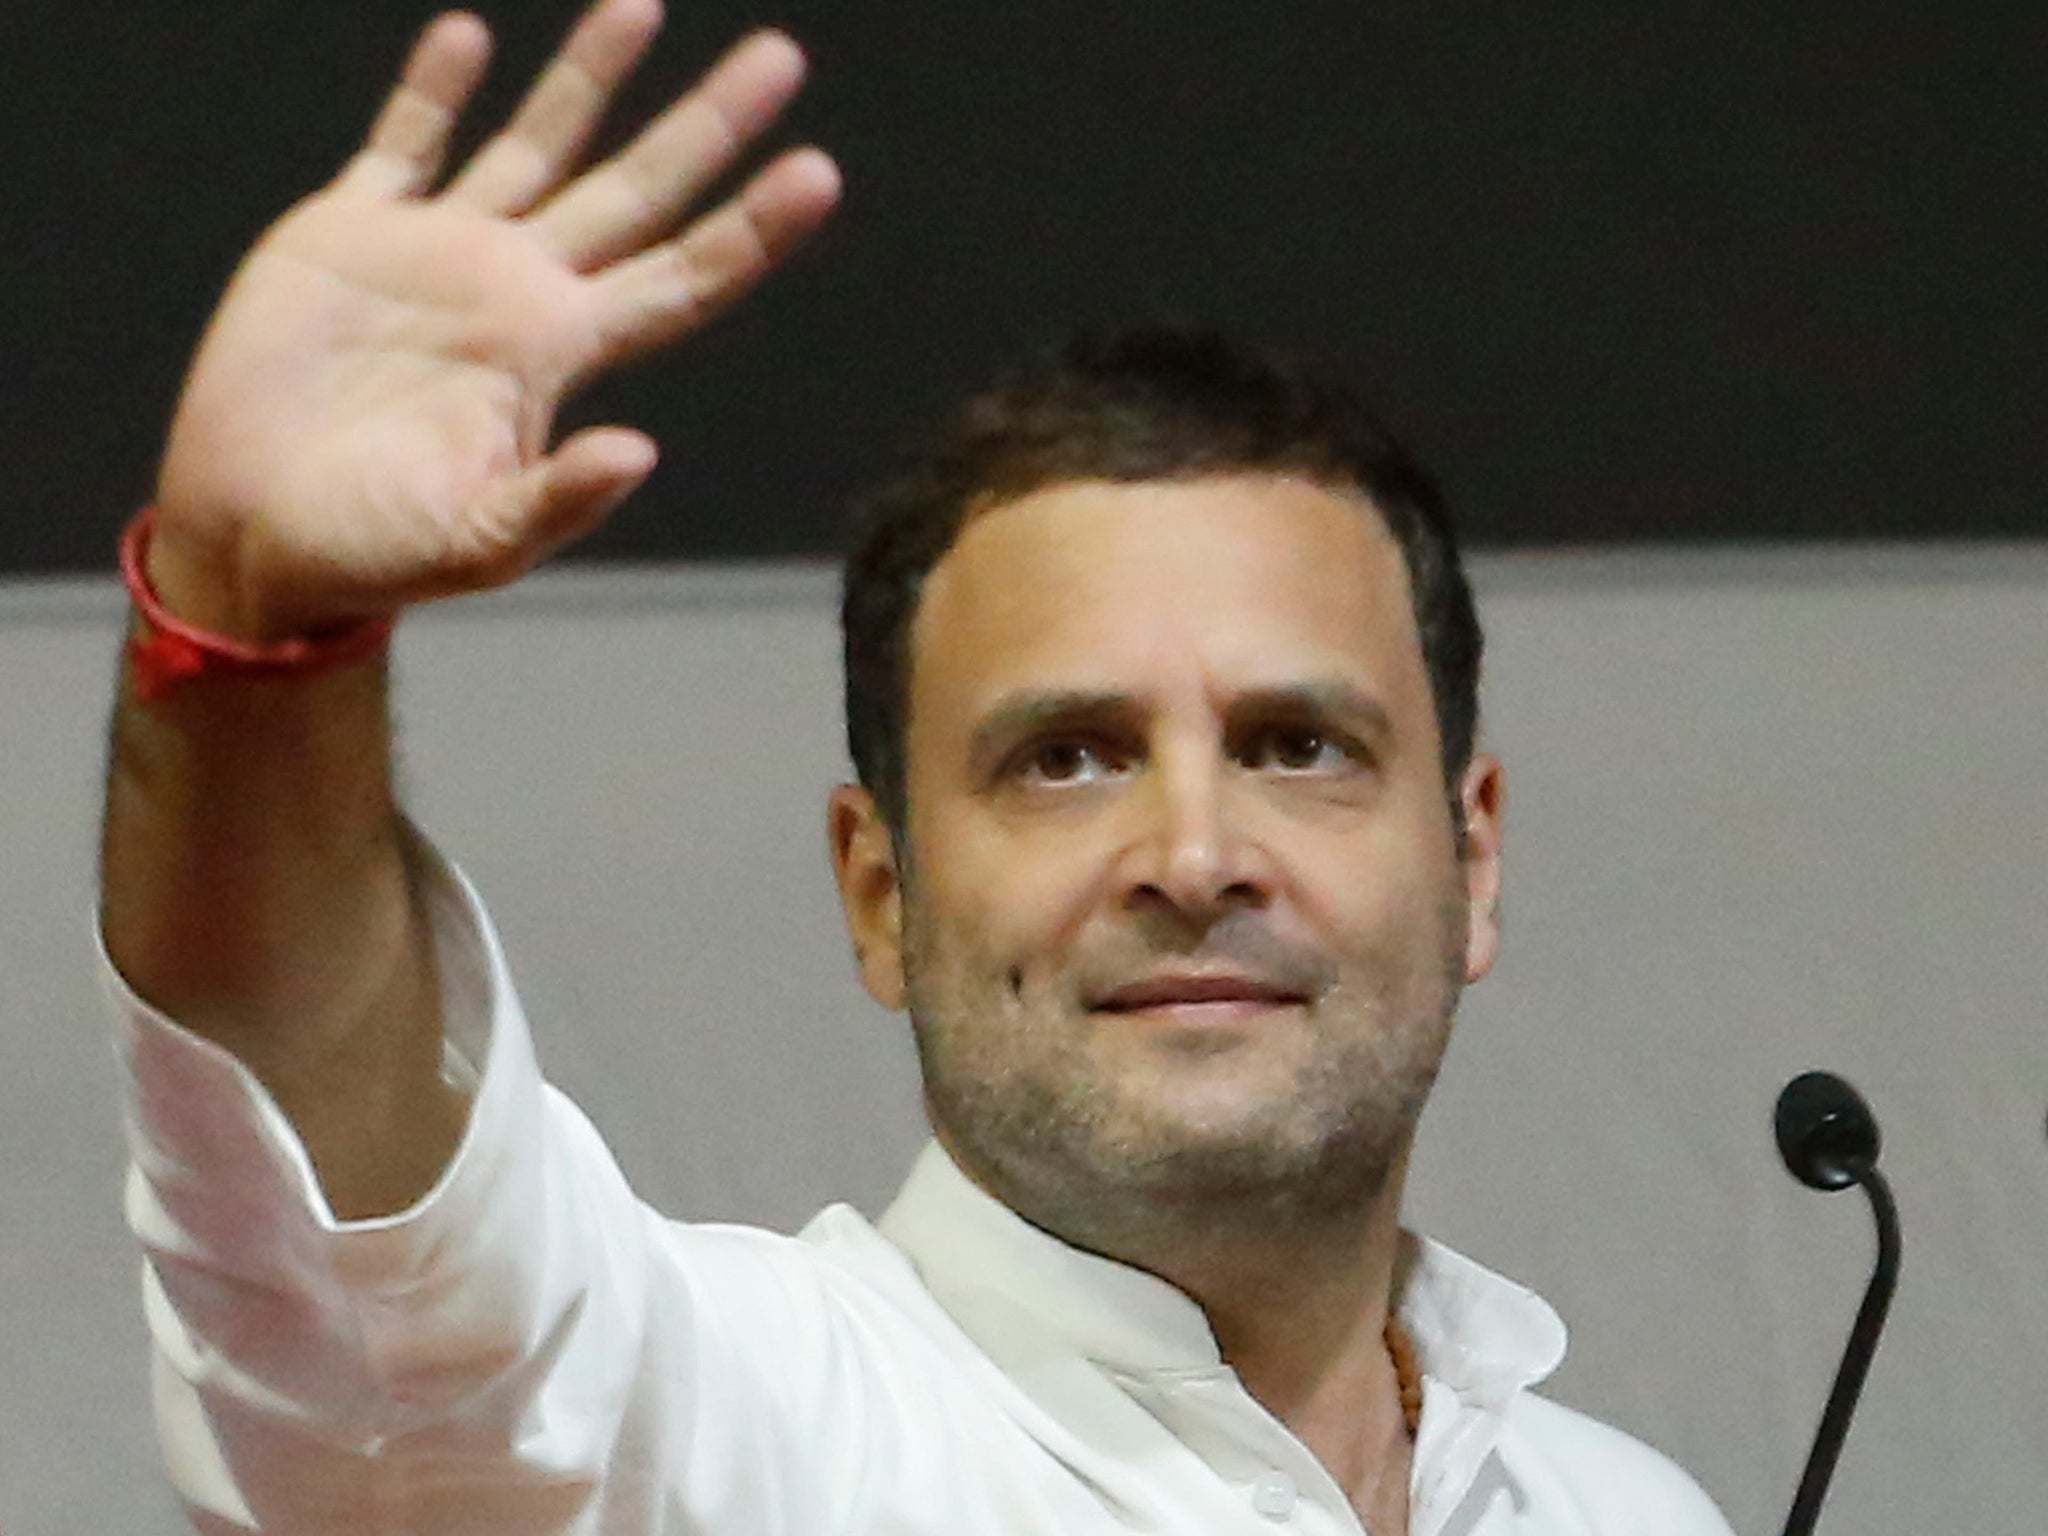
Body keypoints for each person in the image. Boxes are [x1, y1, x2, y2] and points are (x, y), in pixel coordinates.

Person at [99, 2, 1736, 1532]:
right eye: (1069, 757)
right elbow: (382, 1295)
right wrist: (256, 643)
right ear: (881, 892)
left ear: (1476, 863)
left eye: (1297, 746)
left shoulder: (1637, 1512)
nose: (1195, 850)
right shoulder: (718, 1429)